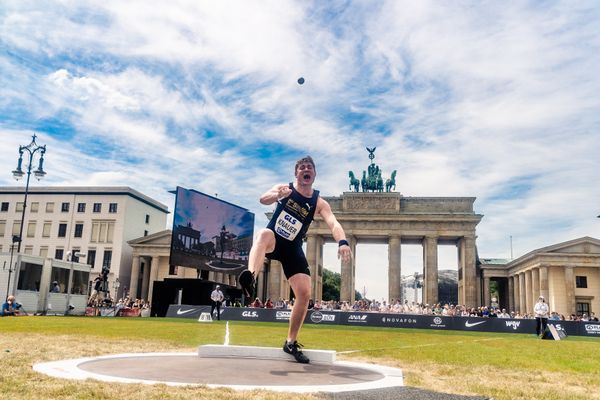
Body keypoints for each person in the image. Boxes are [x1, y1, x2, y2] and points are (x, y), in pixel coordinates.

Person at [238, 155, 352, 363]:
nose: (305, 170)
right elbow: (263, 199)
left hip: (292, 248)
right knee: (263, 234)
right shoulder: (284, 188)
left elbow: (333, 223)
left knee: (304, 293)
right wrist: (278, 195)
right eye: (301, 167)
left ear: (314, 174)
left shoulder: (319, 202)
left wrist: (342, 242)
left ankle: (290, 342)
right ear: (296, 173)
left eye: (309, 167)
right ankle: (251, 277)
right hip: (274, 239)